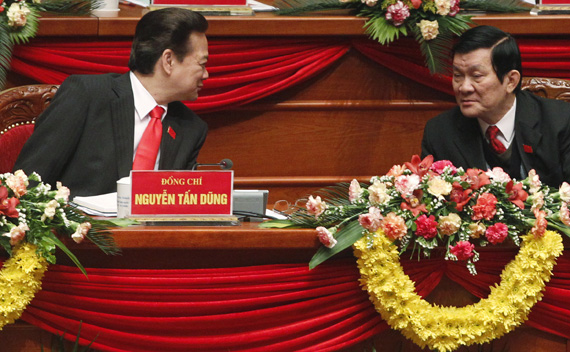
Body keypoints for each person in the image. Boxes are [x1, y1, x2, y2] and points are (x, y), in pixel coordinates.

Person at [14, 8, 209, 197]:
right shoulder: (88, 95)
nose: (206, 74)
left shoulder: (191, 128)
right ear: (169, 60)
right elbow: (28, 180)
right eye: (202, 64)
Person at [421, 25, 570, 187]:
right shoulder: (439, 132)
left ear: (511, 81)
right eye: (458, 75)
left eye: (476, 76)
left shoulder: (560, 122)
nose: (464, 87)